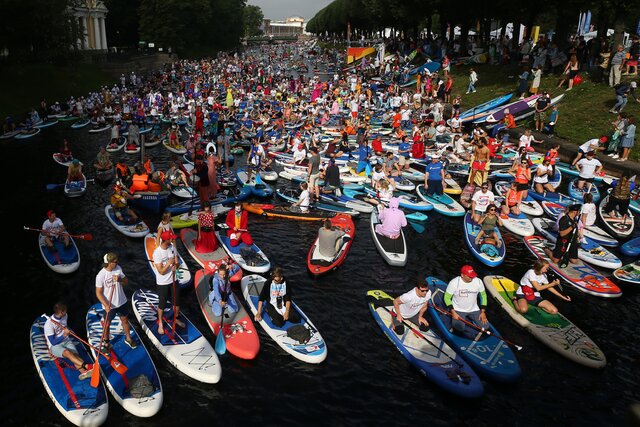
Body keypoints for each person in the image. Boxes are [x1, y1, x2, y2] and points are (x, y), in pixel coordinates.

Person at [95, 252, 137, 349]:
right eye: (115, 262)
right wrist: (105, 305)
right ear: (109, 263)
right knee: (107, 325)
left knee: (125, 320)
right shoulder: (101, 275)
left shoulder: (118, 268)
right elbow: (98, 293)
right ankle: (106, 343)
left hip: (122, 301)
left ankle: (128, 339)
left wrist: (120, 280)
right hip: (110, 305)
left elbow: (126, 281)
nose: (117, 263)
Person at [44, 302, 94, 379]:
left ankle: (84, 373)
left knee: (75, 356)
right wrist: (64, 335)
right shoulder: (48, 325)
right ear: (61, 312)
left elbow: (64, 327)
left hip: (66, 340)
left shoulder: (65, 316)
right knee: (68, 353)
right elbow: (53, 342)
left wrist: (69, 332)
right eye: (65, 310)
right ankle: (88, 366)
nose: (67, 311)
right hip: (55, 346)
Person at [152, 231, 185, 335]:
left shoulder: (172, 248)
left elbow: (176, 261)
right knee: (162, 304)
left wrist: (176, 264)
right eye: (171, 238)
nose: (173, 240)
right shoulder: (157, 253)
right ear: (166, 240)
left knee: (177, 302)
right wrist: (168, 264)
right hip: (163, 282)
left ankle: (176, 318)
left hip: (174, 280)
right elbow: (161, 271)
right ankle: (161, 322)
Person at [444, 265, 489, 337]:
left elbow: (483, 296)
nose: (472, 277)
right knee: (459, 329)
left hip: (474, 309)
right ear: (462, 275)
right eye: (469, 276)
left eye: (472, 275)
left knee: (486, 327)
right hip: (458, 310)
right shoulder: (454, 283)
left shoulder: (478, 281)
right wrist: (453, 312)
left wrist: (483, 311)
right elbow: (447, 297)